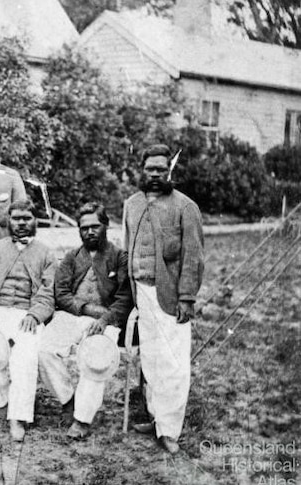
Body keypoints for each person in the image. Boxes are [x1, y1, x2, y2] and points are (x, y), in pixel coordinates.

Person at [123, 144, 204, 454]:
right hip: (140, 293)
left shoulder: (185, 207)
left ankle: (169, 430)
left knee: (173, 363)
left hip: (169, 296)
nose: (155, 174)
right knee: (152, 360)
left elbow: (193, 257)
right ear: (141, 171)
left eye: (161, 169)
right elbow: (127, 247)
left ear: (169, 170)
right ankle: (156, 418)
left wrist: (186, 298)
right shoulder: (131, 204)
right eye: (149, 169)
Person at [38, 202, 133, 440]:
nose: (90, 232)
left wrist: (105, 318)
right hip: (73, 316)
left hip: (106, 321)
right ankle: (68, 399)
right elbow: (61, 294)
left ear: (106, 226)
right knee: (43, 350)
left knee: (96, 356)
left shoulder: (119, 257)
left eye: (95, 226)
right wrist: (86, 309)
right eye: (84, 227)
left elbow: (125, 297)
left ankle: (82, 419)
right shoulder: (71, 257)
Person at [0, 199, 56, 442]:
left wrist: (35, 314)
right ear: (8, 221)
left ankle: (18, 416)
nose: (21, 223)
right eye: (16, 218)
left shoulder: (46, 253)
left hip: (27, 314)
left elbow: (49, 291)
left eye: (26, 218)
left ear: (35, 221)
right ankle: (3, 396)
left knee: (25, 356)